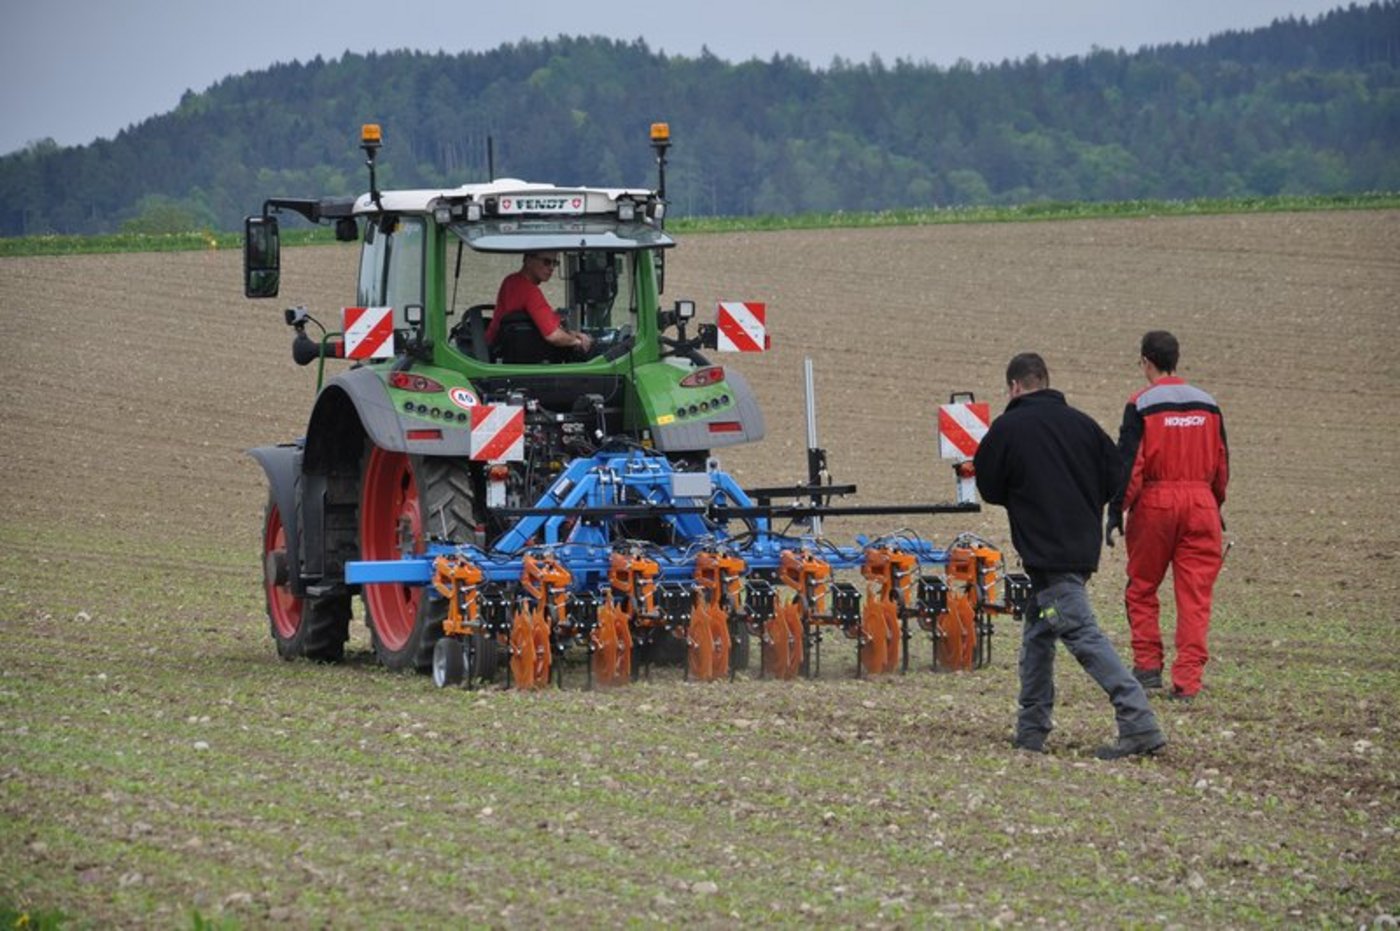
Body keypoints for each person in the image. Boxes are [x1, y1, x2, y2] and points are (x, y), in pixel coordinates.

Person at [974, 352, 1166, 760]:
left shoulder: (1007, 428)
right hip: (1079, 548)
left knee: (1081, 634)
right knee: (1040, 630)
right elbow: (1116, 478)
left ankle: (1140, 723)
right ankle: (1031, 731)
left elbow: (989, 488)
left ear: (1014, 387)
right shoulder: (1084, 426)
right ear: (1045, 380)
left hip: (1048, 551)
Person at [1108, 331, 1229, 702]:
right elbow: (1222, 464)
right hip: (1202, 504)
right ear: (1175, 359)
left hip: (1156, 504)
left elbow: (1130, 465)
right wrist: (1215, 505)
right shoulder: (1208, 404)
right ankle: (1187, 682)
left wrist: (1117, 510)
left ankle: (1147, 668)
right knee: (1194, 597)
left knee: (1142, 588)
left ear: (1146, 361)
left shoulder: (1141, 403)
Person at [484, 252, 593, 363]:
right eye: (546, 262)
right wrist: (577, 342)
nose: (551, 268)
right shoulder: (530, 292)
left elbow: (546, 327)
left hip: (491, 349)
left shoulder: (510, 281)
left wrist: (574, 335)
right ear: (528, 260)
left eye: (554, 263)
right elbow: (553, 336)